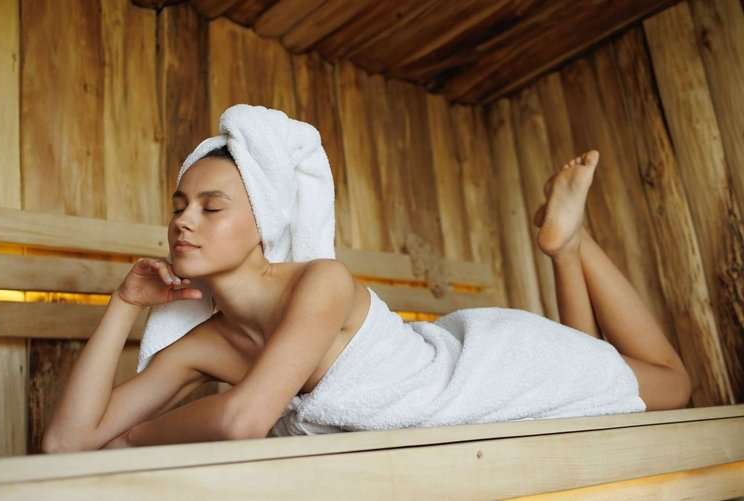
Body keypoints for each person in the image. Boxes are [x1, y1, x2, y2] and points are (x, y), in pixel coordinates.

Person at [42, 144, 691, 453]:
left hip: (484, 370)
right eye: (179, 205)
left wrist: (135, 438)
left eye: (212, 207)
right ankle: (566, 245)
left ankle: (574, 242)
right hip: (477, 388)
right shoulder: (205, 344)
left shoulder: (319, 282)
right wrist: (125, 303)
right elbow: (66, 444)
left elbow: (242, 420)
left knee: (673, 384)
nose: (184, 220)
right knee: (593, 389)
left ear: (264, 224)